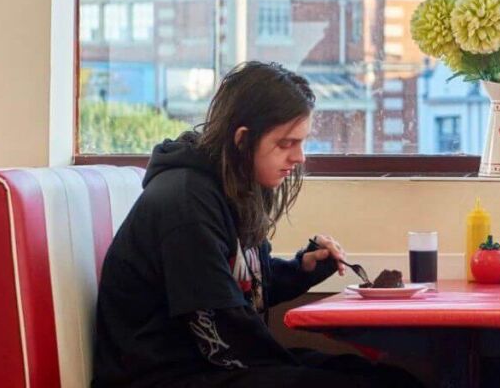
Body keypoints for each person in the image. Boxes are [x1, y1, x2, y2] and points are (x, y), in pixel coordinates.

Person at [93, 61, 421, 388]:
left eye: (302, 142)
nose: (300, 157)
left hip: (208, 368)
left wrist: (302, 269)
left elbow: (238, 286)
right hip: (164, 376)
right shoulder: (186, 204)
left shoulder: (231, 189)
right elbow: (223, 324)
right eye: (285, 144)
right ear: (242, 140)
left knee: (393, 380)